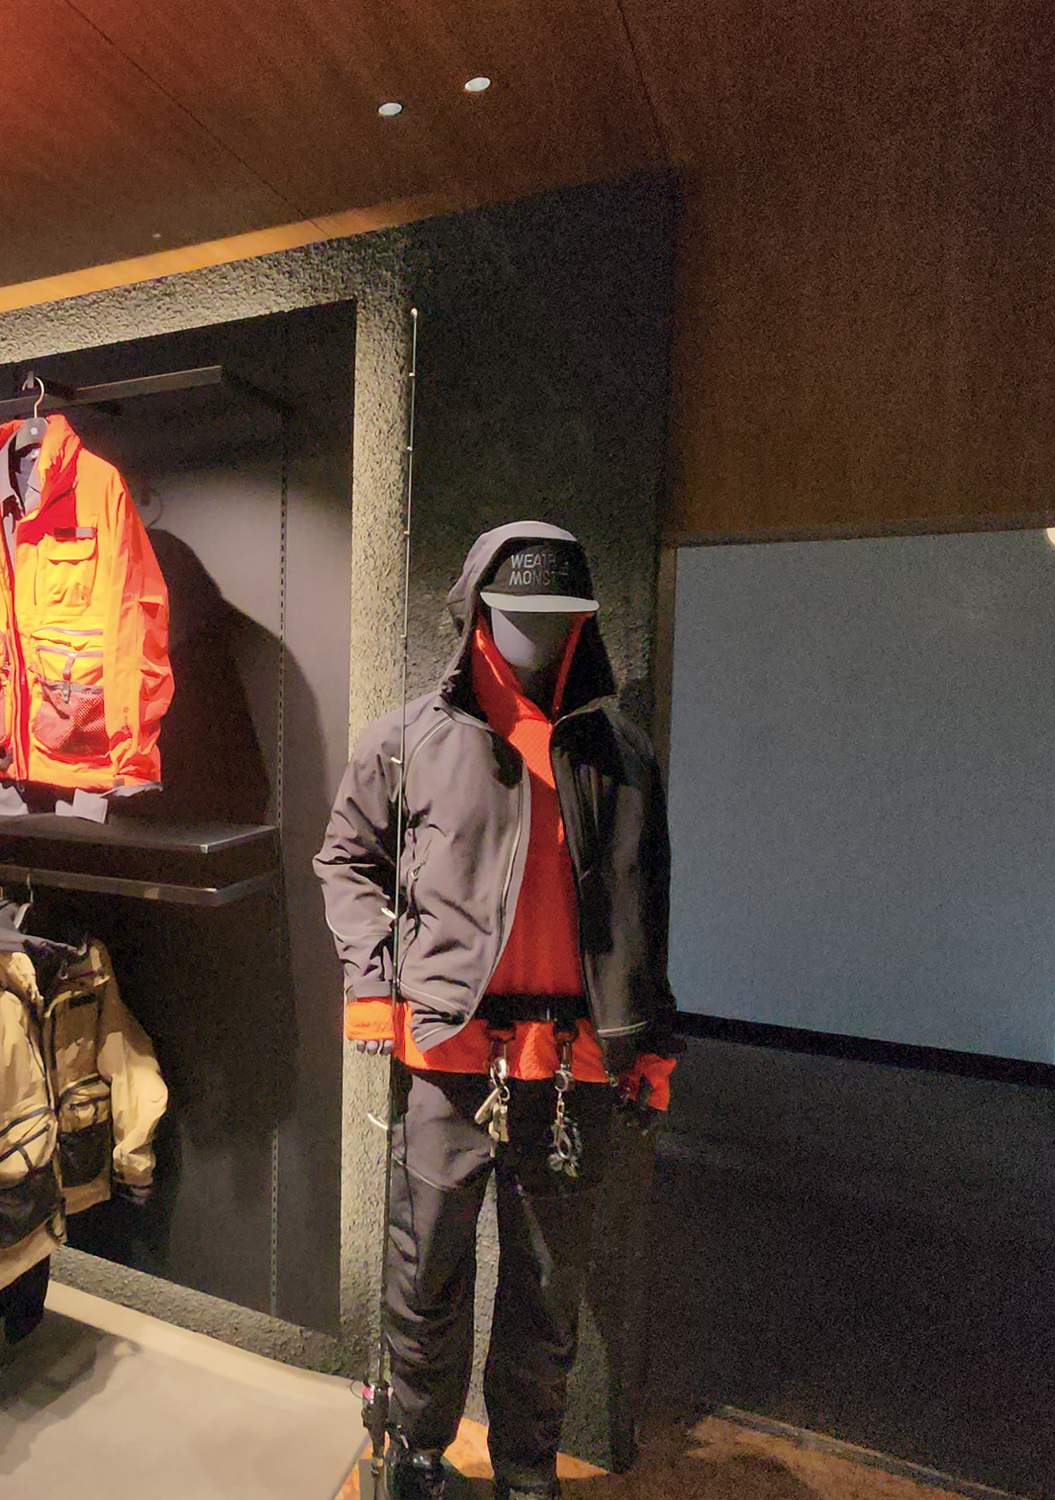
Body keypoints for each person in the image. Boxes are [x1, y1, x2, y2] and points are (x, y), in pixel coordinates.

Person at [315, 522, 679, 1500]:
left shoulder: (624, 758)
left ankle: (524, 1471)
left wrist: (654, 1043)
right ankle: (417, 1454)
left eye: (558, 616)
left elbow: (646, 913)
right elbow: (344, 861)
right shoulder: (404, 743)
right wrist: (372, 984)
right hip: (447, 1056)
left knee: (547, 1295)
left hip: (573, 1070)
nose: (536, 633)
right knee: (424, 1277)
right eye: (517, 612)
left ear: (583, 624)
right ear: (476, 612)